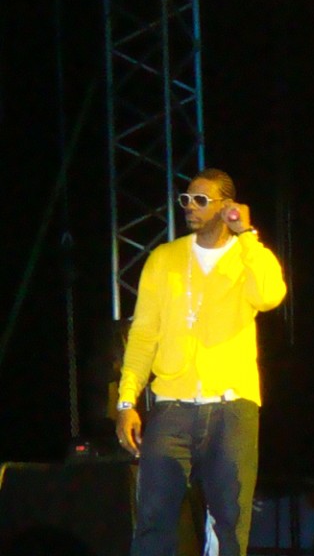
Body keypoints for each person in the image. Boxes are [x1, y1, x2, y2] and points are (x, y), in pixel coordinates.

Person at [116, 167, 287, 556]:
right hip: (172, 408)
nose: (190, 207)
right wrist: (127, 401)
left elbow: (269, 295)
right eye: (186, 199)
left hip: (232, 409)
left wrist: (247, 234)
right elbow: (143, 335)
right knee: (153, 521)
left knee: (231, 526)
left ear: (226, 206)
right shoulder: (164, 258)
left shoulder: (248, 256)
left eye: (201, 200)